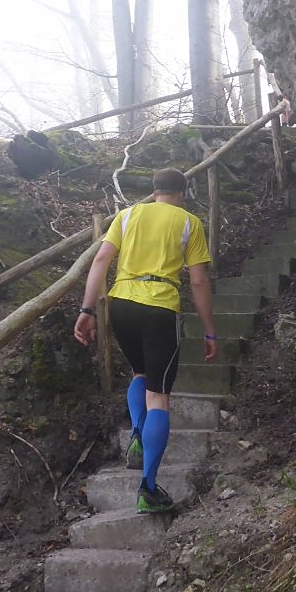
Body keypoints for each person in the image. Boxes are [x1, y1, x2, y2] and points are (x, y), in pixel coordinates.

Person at [74, 168, 218, 513]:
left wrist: (87, 309)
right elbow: (198, 281)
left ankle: (137, 435)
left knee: (139, 373)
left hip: (122, 304)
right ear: (182, 193)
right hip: (159, 307)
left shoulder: (127, 216)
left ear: (154, 192)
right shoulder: (189, 222)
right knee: (159, 396)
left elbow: (100, 259)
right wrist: (210, 330)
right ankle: (148, 489)